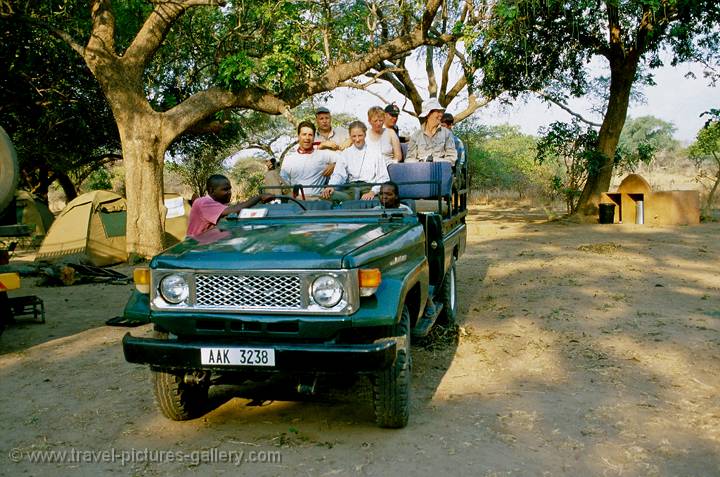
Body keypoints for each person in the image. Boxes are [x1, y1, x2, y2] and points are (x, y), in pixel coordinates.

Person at [320, 121, 390, 201]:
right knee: (325, 196)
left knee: (379, 201)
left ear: (365, 135)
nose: (357, 139)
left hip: (368, 189)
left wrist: (373, 192)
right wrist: (331, 186)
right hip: (349, 190)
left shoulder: (375, 153)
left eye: (360, 136)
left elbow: (383, 178)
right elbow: (339, 174)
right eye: (354, 136)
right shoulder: (345, 153)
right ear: (350, 136)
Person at [187, 174, 272, 238]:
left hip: (205, 239)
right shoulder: (204, 203)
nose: (229, 192)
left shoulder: (213, 203)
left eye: (230, 189)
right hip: (197, 245)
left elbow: (235, 209)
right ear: (211, 190)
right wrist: (259, 197)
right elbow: (234, 209)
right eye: (225, 189)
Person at [280, 120, 338, 198]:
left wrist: (334, 165)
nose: (307, 138)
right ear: (298, 136)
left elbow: (344, 160)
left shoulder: (322, 154)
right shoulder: (289, 158)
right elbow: (283, 182)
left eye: (310, 135)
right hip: (296, 200)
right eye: (304, 134)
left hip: (317, 199)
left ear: (314, 137)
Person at [406, 98, 457, 165]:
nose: (441, 114)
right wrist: (421, 162)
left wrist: (434, 160)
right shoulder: (416, 135)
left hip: (440, 172)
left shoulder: (447, 134)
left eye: (441, 112)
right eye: (438, 112)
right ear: (428, 114)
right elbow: (409, 160)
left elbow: (452, 159)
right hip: (420, 172)